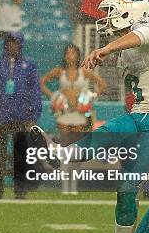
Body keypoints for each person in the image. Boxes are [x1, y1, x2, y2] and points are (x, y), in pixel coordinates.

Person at [49, 0, 149, 233]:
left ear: (129, 10)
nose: (107, 18)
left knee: (128, 185)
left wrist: (106, 49)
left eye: (111, 11)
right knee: (102, 136)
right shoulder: (125, 52)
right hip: (138, 115)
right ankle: (61, 154)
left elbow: (145, 36)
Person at [0, 32, 42, 199]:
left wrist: (33, 116)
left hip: (21, 116)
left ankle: (20, 189)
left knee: (21, 152)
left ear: (20, 44)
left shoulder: (29, 65)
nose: (12, 46)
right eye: (9, 43)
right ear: (5, 44)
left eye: (15, 43)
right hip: (0, 115)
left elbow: (35, 91)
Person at [40, 43, 106, 194]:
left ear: (78, 55)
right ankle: (65, 187)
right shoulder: (59, 71)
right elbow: (42, 83)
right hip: (64, 114)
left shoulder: (83, 72)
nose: (70, 55)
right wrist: (55, 97)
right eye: (68, 53)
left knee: (76, 149)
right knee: (64, 147)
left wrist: (89, 97)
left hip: (79, 114)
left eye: (73, 53)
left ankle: (74, 185)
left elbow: (102, 84)